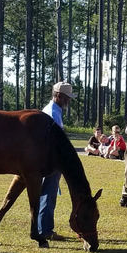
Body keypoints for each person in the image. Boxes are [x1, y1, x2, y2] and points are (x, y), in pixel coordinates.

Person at [38, 81, 75, 241]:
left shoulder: (54, 110)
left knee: (48, 194)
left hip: (50, 159)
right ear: (59, 96)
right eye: (67, 98)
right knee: (49, 194)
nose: (69, 101)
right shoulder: (52, 112)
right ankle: (45, 230)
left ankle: (43, 228)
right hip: (51, 161)